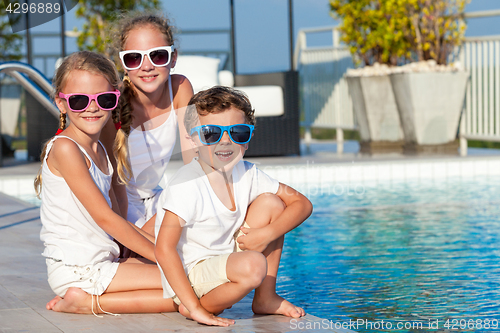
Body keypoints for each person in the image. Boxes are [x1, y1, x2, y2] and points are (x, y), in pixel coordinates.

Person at [154, 86, 313, 326]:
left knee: (272, 204)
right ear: (192, 139)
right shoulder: (187, 184)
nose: (225, 141)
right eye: (211, 134)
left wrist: (267, 233)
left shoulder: (247, 173)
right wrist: (195, 307)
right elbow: (163, 249)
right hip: (192, 275)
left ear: (247, 140)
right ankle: (195, 306)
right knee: (253, 265)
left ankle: (265, 297)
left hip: (226, 260)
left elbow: (302, 203)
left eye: (237, 132)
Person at [35, 51, 178, 315]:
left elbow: (116, 211)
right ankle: (85, 303)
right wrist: (163, 256)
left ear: (114, 99)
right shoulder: (66, 149)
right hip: (77, 269)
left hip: (101, 260)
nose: (92, 108)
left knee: (182, 263)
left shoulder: (100, 148)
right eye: (79, 100)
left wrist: (133, 248)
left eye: (103, 99)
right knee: (185, 286)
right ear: (61, 103)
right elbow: (106, 218)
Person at [102, 12, 195, 234]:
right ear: (123, 64)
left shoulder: (180, 87)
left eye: (158, 56)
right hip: (118, 204)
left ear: (173, 58)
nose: (147, 66)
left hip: (155, 199)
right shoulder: (114, 102)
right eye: (134, 58)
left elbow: (193, 161)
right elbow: (112, 184)